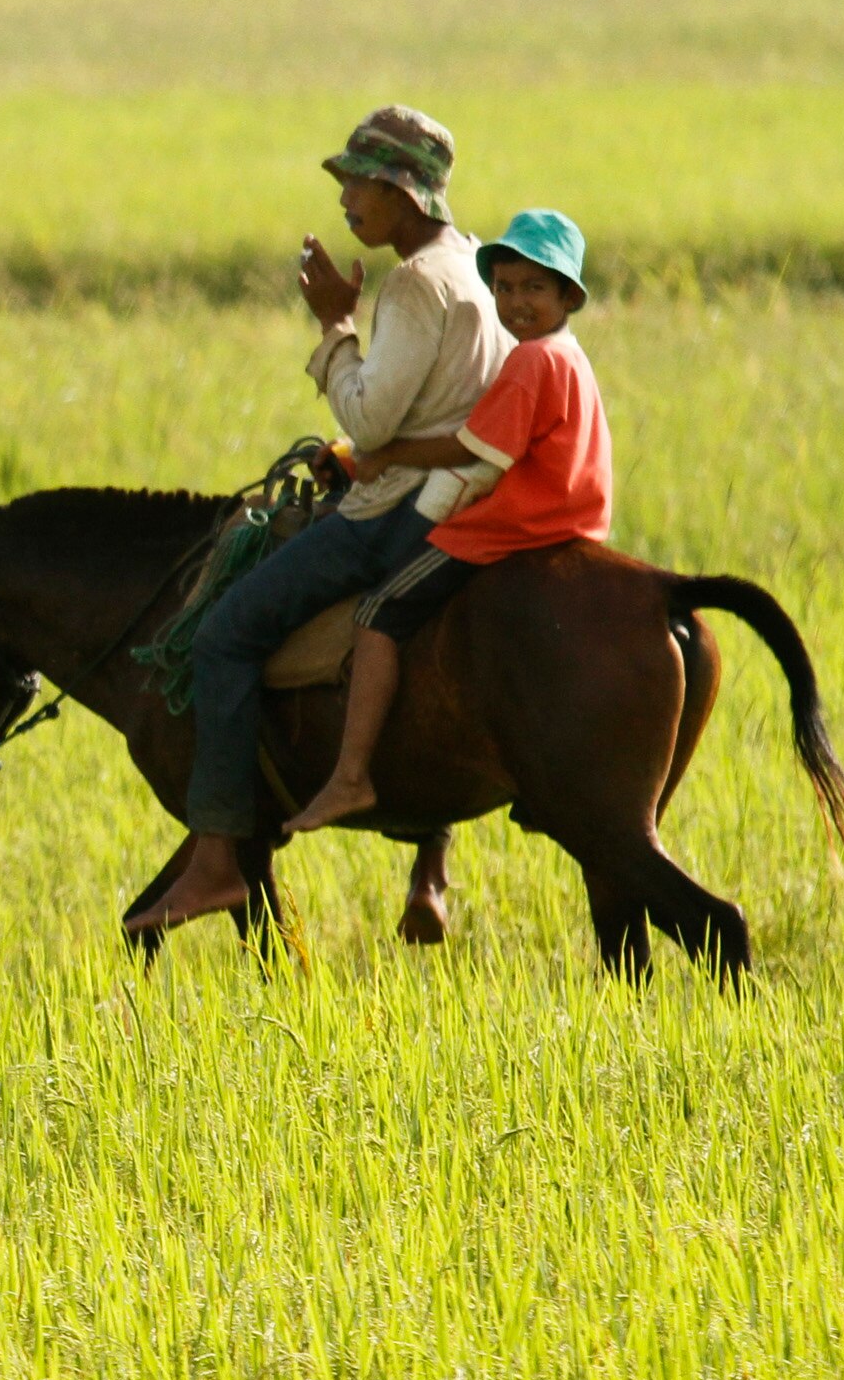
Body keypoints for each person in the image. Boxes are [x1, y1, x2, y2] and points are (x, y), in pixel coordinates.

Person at [125, 105, 508, 938]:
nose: (344, 203)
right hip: (458, 498)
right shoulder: (475, 263)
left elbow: (369, 423)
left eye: (358, 185)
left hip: (391, 510)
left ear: (402, 192)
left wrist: (334, 326)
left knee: (224, 635)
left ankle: (222, 860)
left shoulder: (413, 283)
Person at [288, 211, 612, 832]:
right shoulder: (566, 354)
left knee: (379, 612)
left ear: (568, 295)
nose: (517, 303)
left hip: (515, 522)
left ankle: (351, 774)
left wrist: (381, 457)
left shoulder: (531, 363)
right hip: (574, 516)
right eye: (508, 288)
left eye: (535, 289)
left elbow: (468, 447)